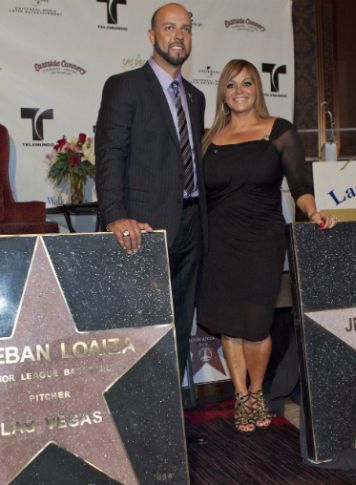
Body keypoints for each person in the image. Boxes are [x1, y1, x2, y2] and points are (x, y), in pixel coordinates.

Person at [196, 59, 335, 434]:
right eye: (231, 85)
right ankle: (242, 396)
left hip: (262, 240)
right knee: (229, 325)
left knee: (256, 325)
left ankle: (258, 390)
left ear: (258, 88)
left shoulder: (279, 132)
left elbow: (300, 184)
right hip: (219, 243)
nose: (239, 91)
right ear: (222, 93)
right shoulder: (208, 139)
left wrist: (313, 211)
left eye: (247, 83)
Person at [94, 3, 208, 444]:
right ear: (151, 35)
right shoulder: (125, 87)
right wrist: (115, 214)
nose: (178, 35)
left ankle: (165, 416)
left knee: (179, 323)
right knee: (138, 326)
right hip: (140, 229)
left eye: (185, 28)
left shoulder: (195, 97)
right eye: (169, 27)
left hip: (192, 225)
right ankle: (127, 420)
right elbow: (110, 153)